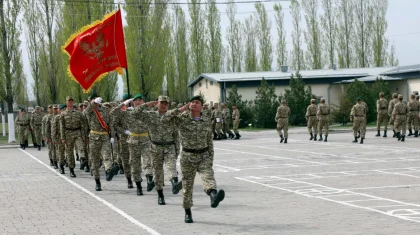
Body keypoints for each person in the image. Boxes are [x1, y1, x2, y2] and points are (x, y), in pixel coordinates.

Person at [167, 96, 225, 223]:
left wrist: (210, 158)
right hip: (188, 157)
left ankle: (213, 196)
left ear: (201, 106)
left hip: (204, 155)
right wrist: (180, 109)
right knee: (187, 186)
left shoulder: (205, 120)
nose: (194, 104)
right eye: (192, 102)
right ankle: (187, 212)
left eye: (197, 102)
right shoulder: (182, 119)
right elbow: (165, 118)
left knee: (208, 177)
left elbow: (209, 140)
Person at [130, 95, 182, 205]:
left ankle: (175, 184)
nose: (163, 105)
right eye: (161, 103)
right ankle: (160, 195)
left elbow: (176, 135)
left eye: (166, 103)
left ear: (168, 105)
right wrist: (146, 104)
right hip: (155, 148)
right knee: (157, 174)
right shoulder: (150, 115)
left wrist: (177, 150)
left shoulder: (173, 117)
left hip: (169, 147)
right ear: (157, 103)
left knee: (171, 167)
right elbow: (134, 114)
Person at [60, 96, 88, 178]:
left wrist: (84, 135)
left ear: (73, 102)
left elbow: (83, 124)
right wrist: (62, 137)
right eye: (69, 101)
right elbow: (62, 126)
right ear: (66, 102)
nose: (70, 102)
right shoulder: (63, 114)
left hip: (77, 132)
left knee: (81, 146)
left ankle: (83, 159)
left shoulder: (78, 113)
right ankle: (71, 169)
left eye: (71, 101)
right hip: (68, 133)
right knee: (69, 153)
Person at [110, 94, 133, 188]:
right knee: (126, 160)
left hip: (137, 138)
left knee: (136, 160)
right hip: (125, 138)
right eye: (125, 101)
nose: (127, 103)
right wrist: (124, 131)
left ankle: (138, 177)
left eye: (129, 101)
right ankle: (129, 179)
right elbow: (115, 125)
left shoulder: (135, 110)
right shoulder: (120, 112)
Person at [52, 105, 65, 172]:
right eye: (61, 109)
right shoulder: (57, 118)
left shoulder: (66, 116)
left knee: (67, 152)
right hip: (59, 137)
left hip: (67, 136)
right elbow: (54, 129)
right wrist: (54, 138)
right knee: (60, 152)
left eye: (64, 109)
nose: (63, 110)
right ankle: (61, 166)